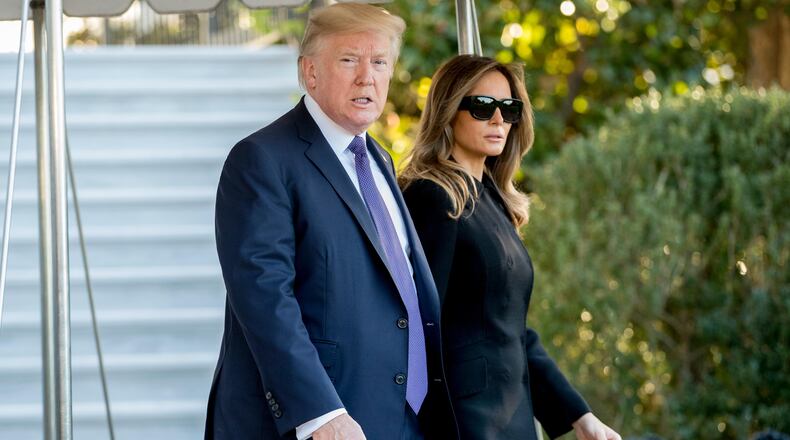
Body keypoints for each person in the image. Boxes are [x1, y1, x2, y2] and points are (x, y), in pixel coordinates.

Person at [205, 4, 455, 440]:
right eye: (349, 60)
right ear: (310, 73)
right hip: (323, 425)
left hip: (403, 418)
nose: (367, 76)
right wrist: (321, 414)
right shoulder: (262, 160)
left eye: (379, 62)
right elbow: (264, 297)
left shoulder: (377, 157)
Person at [400, 55, 621, 440]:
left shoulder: (494, 199)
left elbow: (511, 329)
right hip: (465, 419)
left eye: (509, 108)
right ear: (449, 111)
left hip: (511, 414)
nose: (499, 119)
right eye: (483, 106)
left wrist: (579, 415)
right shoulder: (433, 197)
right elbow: (418, 325)